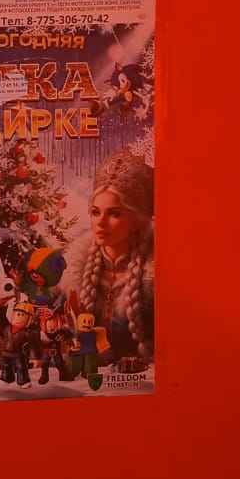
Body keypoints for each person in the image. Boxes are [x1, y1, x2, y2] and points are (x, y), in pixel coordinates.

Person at [61, 150, 154, 373]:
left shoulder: (155, 280)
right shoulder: (73, 273)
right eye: (95, 212)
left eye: (114, 214)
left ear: (137, 219)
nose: (100, 223)